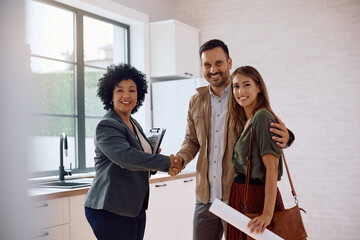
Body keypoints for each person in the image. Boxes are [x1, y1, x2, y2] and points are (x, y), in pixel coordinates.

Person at [174, 39, 294, 240]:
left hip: (237, 196)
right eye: (207, 64)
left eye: (219, 63)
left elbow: (265, 125)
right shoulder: (196, 100)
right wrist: (180, 159)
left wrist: (289, 137)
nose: (213, 69)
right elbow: (191, 140)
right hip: (205, 197)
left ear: (229, 63)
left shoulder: (241, 96)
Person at [84, 63, 181, 240]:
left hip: (132, 206)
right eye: (120, 90)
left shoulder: (133, 123)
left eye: (132, 90)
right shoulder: (107, 125)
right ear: (110, 96)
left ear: (139, 94)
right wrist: (167, 163)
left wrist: (151, 163)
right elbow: (126, 158)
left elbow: (137, 161)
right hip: (110, 208)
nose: (126, 95)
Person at [227, 65, 285, 239]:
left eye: (247, 85)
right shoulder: (246, 121)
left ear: (259, 88)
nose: (240, 91)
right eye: (236, 86)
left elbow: (272, 169)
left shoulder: (262, 117)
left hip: (255, 197)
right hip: (241, 195)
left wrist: (267, 213)